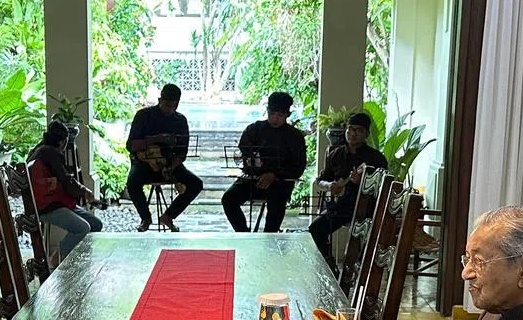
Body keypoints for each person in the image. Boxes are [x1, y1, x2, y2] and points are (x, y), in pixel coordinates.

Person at [308, 111, 389, 272]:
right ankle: (329, 267)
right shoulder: (336, 154)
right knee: (315, 228)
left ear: (366, 134)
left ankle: (359, 269)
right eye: (350, 129)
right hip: (342, 206)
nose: (353, 133)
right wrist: (330, 186)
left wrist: (363, 184)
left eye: (358, 130)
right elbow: (321, 180)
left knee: (367, 234)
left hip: (368, 208)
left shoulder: (376, 158)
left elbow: (383, 188)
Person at [222, 91, 308, 232]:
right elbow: (244, 149)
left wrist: (274, 175)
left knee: (276, 206)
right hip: (253, 180)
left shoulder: (294, 136)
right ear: (267, 111)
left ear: (287, 115)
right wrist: (252, 160)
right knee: (228, 199)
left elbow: (298, 167)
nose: (275, 119)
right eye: (272, 114)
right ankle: (243, 234)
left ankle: (270, 237)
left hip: (280, 182)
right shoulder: (254, 129)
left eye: (280, 115)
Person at [125, 83, 204, 232]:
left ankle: (168, 216)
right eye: (166, 105)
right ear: (159, 100)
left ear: (177, 105)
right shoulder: (143, 116)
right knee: (132, 182)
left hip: (169, 164)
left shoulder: (180, 121)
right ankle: (145, 218)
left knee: (196, 184)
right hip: (144, 164)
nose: (168, 109)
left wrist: (171, 166)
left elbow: (183, 153)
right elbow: (131, 145)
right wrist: (156, 139)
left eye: (172, 106)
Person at [27, 120, 104, 256]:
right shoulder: (51, 154)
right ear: (63, 142)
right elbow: (66, 180)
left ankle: (78, 257)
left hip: (54, 201)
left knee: (96, 224)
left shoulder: (38, 150)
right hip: (49, 205)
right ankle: (57, 259)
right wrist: (85, 192)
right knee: (83, 228)